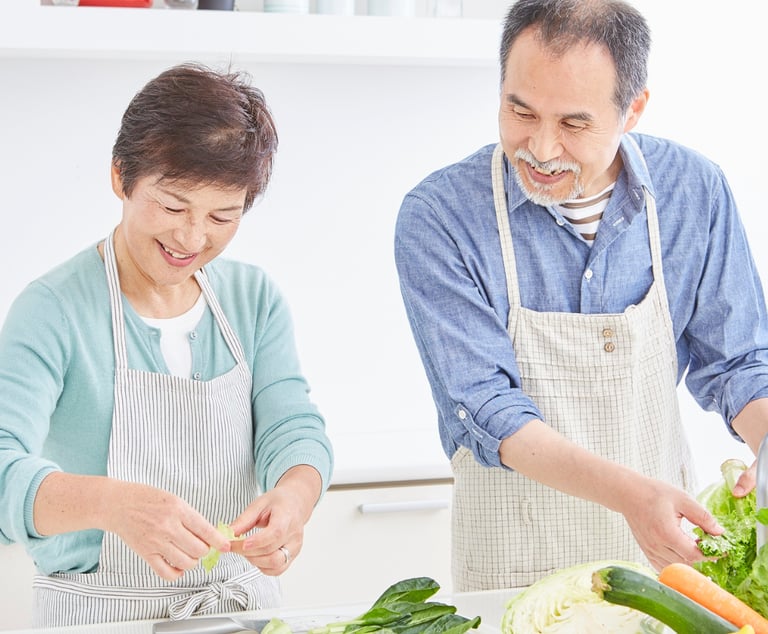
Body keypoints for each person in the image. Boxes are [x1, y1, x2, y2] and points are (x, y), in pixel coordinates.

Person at [394, 0, 768, 592]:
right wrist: (630, 496)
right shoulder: (441, 217)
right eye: (520, 111)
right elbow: (488, 409)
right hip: (513, 567)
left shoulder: (693, 191)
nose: (541, 149)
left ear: (633, 109)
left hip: (669, 562)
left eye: (573, 123)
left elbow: (740, 362)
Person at [0, 63, 333, 626]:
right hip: (102, 618)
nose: (192, 237)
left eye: (223, 215)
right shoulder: (53, 309)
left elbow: (293, 427)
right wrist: (112, 505)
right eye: (174, 205)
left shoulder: (253, 299)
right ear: (120, 176)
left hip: (240, 610)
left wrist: (295, 500)